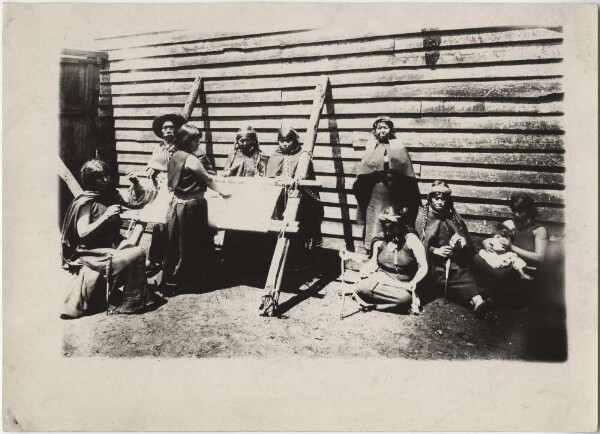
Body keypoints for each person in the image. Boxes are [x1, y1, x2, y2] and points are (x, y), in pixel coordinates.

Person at [60, 159, 156, 318]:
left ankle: (131, 298)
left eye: (107, 175)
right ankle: (130, 303)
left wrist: (135, 184)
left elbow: (135, 203)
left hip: (111, 246)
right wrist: (105, 216)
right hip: (92, 252)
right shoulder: (86, 202)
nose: (105, 180)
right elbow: (82, 233)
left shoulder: (111, 194)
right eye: (100, 177)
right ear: (90, 180)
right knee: (138, 253)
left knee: (136, 244)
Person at [160, 124, 231, 295]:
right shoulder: (191, 159)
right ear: (186, 141)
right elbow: (208, 180)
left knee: (176, 244)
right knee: (192, 244)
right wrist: (225, 193)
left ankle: (171, 280)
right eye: (195, 141)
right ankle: (189, 281)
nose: (198, 144)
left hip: (178, 206)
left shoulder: (174, 156)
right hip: (192, 207)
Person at [415, 180, 493, 318]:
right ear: (430, 198)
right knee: (442, 282)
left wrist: (460, 244)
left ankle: (479, 303)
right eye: (436, 198)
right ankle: (472, 302)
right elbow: (417, 244)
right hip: (432, 265)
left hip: (454, 264)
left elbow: (466, 243)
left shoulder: (454, 217)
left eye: (443, 199)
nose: (440, 202)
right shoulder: (422, 217)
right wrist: (434, 250)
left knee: (465, 276)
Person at [353, 116, 421, 250]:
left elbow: (405, 169)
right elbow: (363, 169)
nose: (382, 130)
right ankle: (372, 249)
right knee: (375, 219)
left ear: (391, 129)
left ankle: (392, 250)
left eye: (385, 127)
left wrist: (390, 165)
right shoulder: (372, 146)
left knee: (392, 218)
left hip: (394, 192)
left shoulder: (398, 146)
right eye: (379, 128)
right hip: (376, 191)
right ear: (375, 131)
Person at [473, 193, 548, 304]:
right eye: (514, 211)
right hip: (506, 264)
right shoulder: (509, 223)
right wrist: (486, 242)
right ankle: (489, 296)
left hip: (524, 270)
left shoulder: (539, 230)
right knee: (477, 258)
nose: (516, 215)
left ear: (529, 211)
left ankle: (492, 297)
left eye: (521, 211)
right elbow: (495, 237)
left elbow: (540, 258)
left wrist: (512, 247)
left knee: (500, 274)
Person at [352, 205, 428, 314]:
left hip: (401, 285)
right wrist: (365, 270)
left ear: (400, 225)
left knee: (404, 298)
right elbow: (374, 263)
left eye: (391, 228)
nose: (387, 233)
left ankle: (372, 304)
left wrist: (414, 282)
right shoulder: (379, 240)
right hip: (381, 280)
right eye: (385, 228)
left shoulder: (411, 240)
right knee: (361, 287)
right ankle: (382, 304)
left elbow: (423, 266)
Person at [265, 127, 324, 270]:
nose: (284, 144)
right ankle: (277, 262)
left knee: (298, 230)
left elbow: (306, 176)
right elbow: (270, 175)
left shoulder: (303, 156)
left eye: (288, 141)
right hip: (279, 200)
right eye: (281, 140)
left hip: (299, 201)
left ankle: (297, 262)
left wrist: (293, 181)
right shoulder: (275, 155)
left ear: (295, 141)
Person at [221, 127, 272, 272]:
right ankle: (231, 261)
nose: (243, 143)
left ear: (253, 141)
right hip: (236, 197)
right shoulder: (233, 155)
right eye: (241, 140)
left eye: (247, 140)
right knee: (234, 228)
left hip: (252, 198)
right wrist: (226, 174)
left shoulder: (260, 157)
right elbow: (228, 171)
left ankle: (252, 264)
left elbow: (264, 175)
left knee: (251, 229)